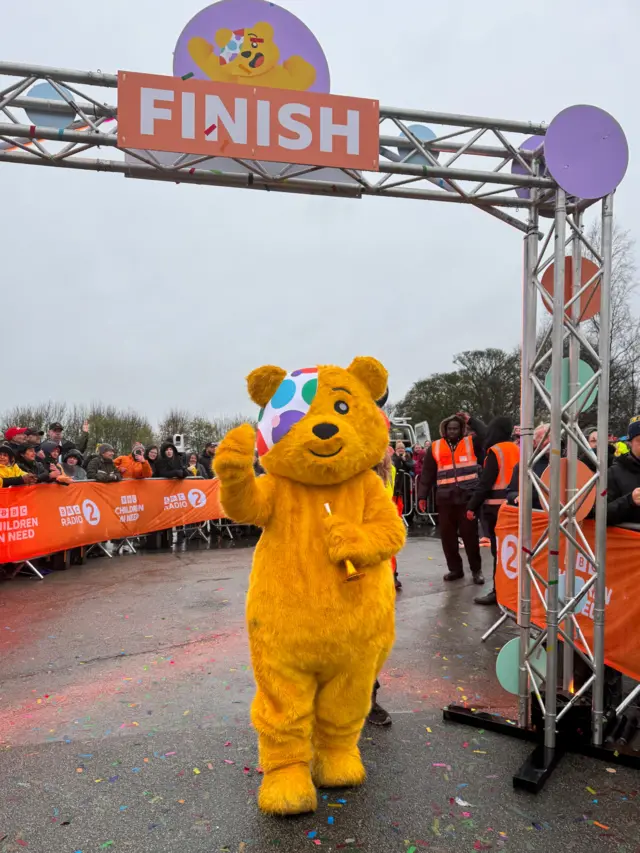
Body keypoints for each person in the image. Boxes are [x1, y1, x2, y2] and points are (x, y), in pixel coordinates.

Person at [418, 413, 485, 583]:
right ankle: (455, 570)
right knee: (448, 538)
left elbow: (487, 434)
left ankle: (476, 571)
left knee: (470, 537)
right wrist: (421, 497)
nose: (452, 431)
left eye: (456, 428)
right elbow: (427, 474)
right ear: (444, 430)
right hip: (445, 500)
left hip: (467, 499)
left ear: (462, 429)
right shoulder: (435, 447)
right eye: (449, 429)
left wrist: (471, 420)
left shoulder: (472, 442)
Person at [466, 417, 518, 606]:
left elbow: (485, 483)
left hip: (497, 510)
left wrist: (472, 506)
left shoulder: (496, 452)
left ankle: (498, 592)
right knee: (514, 553)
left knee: (499, 554)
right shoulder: (517, 449)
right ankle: (513, 592)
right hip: (514, 507)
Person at [507, 423, 550, 509]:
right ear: (534, 443)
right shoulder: (525, 465)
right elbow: (511, 493)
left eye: (552, 437)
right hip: (536, 514)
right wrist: (518, 497)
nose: (549, 440)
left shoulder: (567, 462)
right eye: (545, 437)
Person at [607, 416, 640, 527]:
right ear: (630, 443)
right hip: (630, 540)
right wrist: (630, 500)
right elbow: (601, 514)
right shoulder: (614, 472)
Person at [392, 440, 414, 518]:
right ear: (396, 449)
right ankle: (398, 514)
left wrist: (404, 461)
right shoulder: (393, 456)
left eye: (402, 448)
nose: (401, 449)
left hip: (406, 480)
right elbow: (395, 466)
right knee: (397, 497)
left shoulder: (407, 456)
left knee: (407, 497)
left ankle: (408, 515)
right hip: (397, 481)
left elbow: (411, 466)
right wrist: (399, 458)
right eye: (399, 448)